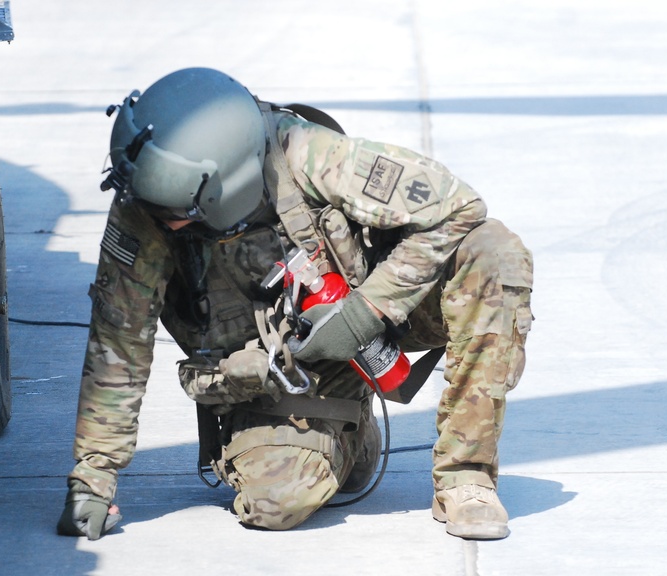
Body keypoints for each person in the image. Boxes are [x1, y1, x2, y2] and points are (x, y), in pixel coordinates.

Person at [57, 67, 532, 541]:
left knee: (494, 255)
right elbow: (117, 342)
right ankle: (347, 430)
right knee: (274, 504)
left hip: (376, 321)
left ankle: (466, 476)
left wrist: (369, 309)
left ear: (224, 189)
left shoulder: (307, 153)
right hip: (277, 370)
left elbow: (459, 206)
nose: (160, 222)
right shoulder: (147, 204)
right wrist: (94, 480)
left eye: (174, 214)